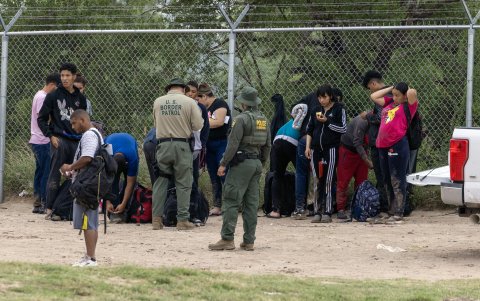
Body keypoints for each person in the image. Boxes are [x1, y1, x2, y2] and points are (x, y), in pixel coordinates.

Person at [208, 86, 271, 251]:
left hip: (241, 164)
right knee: (251, 203)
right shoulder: (264, 120)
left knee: (230, 200)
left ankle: (227, 238)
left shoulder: (241, 119)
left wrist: (223, 163)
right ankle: (249, 240)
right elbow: (267, 145)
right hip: (256, 163)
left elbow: (233, 144)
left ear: (243, 103)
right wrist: (261, 163)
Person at [151, 78, 203, 231]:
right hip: (181, 145)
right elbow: (197, 126)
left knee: (160, 181)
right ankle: (182, 220)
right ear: (183, 89)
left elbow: (156, 124)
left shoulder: (158, 102)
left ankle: (156, 219)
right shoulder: (189, 102)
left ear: (169, 88)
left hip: (163, 145)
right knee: (183, 182)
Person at [37, 63, 87, 220]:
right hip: (60, 140)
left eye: (67, 75)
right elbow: (42, 119)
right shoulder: (53, 96)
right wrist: (50, 136)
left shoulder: (81, 98)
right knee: (55, 174)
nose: (64, 78)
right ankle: (50, 207)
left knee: (76, 175)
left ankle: (64, 207)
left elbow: (84, 122)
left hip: (77, 141)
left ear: (73, 76)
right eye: (62, 75)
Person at [370, 83, 418, 222]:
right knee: (386, 179)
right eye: (394, 94)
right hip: (382, 145)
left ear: (404, 96)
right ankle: (391, 210)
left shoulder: (408, 106)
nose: (394, 97)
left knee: (397, 178)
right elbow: (374, 96)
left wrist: (405, 87)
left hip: (396, 144)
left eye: (398, 95)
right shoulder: (390, 103)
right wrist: (391, 88)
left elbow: (412, 92)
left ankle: (399, 211)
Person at [60, 109, 101, 267]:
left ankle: (91, 259)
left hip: (87, 185)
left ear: (82, 120)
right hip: (90, 183)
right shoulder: (94, 133)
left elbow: (87, 158)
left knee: (88, 222)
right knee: (90, 221)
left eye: (73, 122)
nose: (72, 126)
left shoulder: (89, 135)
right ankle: (90, 256)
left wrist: (70, 166)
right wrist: (72, 172)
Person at [305, 84, 347, 223]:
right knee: (317, 179)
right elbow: (310, 130)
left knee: (329, 180)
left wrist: (327, 121)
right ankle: (317, 210)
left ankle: (327, 211)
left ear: (330, 96)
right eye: (319, 97)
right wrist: (307, 147)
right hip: (315, 149)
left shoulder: (339, 109)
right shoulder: (315, 110)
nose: (321, 100)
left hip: (331, 149)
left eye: (324, 97)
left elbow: (343, 129)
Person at [197, 83, 231, 216]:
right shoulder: (204, 108)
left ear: (204, 96)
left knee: (223, 173)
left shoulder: (220, 104)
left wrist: (201, 122)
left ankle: (229, 204)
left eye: (199, 99)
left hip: (220, 143)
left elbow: (219, 122)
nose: (198, 102)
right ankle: (217, 205)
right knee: (213, 175)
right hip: (208, 144)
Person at [29, 73, 60, 214]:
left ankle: (38, 201)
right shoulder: (43, 97)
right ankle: (42, 201)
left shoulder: (38, 95)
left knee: (40, 171)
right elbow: (44, 118)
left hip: (37, 139)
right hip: (42, 140)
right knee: (46, 172)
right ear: (52, 85)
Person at [336, 112, 372, 219]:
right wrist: (367, 160)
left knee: (362, 181)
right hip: (348, 151)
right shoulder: (363, 121)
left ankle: (359, 207)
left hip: (362, 151)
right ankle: (341, 209)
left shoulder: (381, 120)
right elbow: (357, 142)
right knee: (343, 180)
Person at [362, 70, 389, 212]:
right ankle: (390, 205)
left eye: (369, 88)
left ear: (373, 84)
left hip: (379, 141)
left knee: (381, 174)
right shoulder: (392, 93)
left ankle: (384, 206)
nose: (370, 92)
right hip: (388, 140)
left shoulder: (382, 95)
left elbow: (380, 118)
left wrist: (367, 116)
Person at [266, 117, 300, 218]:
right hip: (292, 141)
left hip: (278, 139)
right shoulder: (310, 116)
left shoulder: (293, 119)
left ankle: (276, 210)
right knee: (301, 174)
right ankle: (300, 208)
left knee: (277, 175)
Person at [104, 133, 139, 223]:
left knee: (129, 182)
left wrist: (123, 203)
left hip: (129, 143)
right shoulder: (107, 153)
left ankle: (124, 208)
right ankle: (113, 209)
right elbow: (106, 180)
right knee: (113, 181)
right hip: (111, 144)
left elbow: (130, 183)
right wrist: (108, 202)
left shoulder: (132, 158)